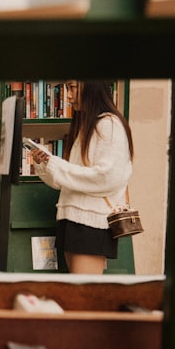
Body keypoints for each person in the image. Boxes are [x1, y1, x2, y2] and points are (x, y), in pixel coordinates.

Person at [30, 80, 134, 274]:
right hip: (73, 220)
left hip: (90, 224)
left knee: (83, 294)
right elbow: (68, 182)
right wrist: (45, 163)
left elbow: (107, 178)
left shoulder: (109, 125)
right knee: (78, 293)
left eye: (72, 88)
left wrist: (56, 164)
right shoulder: (86, 126)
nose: (68, 96)